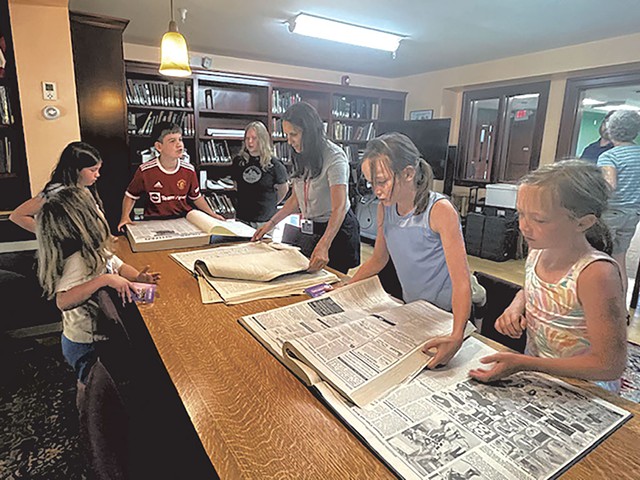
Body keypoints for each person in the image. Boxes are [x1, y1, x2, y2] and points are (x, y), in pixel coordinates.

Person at [469, 160, 627, 392]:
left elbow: (610, 364)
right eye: (520, 214)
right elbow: (533, 288)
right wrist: (516, 305)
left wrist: (525, 363)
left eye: (539, 219)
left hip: (586, 389)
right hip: (539, 374)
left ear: (583, 222)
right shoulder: (538, 249)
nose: (524, 226)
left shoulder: (596, 273)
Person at [346, 132, 472, 368]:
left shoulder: (440, 210)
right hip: (414, 311)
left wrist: (456, 335)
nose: (377, 191)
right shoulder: (387, 208)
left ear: (408, 173)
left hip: (447, 315)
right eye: (371, 183)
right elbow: (379, 259)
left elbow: (462, 281)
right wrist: (345, 287)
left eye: (382, 182)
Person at [37, 186, 160, 384]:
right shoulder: (77, 261)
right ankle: (87, 409)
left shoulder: (95, 249)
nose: (100, 210)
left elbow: (118, 266)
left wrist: (138, 277)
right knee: (91, 385)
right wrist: (105, 280)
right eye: (95, 208)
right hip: (86, 343)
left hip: (98, 337)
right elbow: (63, 301)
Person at [252, 102, 360, 274]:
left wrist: (325, 244)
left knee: (330, 281)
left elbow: (339, 207)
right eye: (287, 134)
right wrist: (270, 223)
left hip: (336, 230)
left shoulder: (335, 157)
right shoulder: (300, 154)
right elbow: (296, 200)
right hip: (312, 227)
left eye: (293, 134)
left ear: (309, 132)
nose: (289, 141)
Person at [118, 122, 222, 231]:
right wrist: (125, 217)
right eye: (172, 141)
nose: (179, 144)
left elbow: (196, 197)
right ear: (159, 147)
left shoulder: (189, 170)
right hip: (155, 221)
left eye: (180, 139)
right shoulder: (145, 170)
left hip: (183, 220)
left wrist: (212, 214)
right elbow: (130, 195)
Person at [10, 141, 104, 233]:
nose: (97, 175)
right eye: (93, 170)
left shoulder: (84, 188)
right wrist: (49, 235)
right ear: (75, 170)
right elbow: (17, 216)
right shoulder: (56, 193)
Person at [597, 109, 640, 296]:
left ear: (612, 130)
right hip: (633, 215)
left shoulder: (609, 156)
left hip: (611, 214)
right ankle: (621, 310)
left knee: (597, 259)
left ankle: (599, 306)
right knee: (619, 259)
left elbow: (609, 186)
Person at [231, 121, 289, 228]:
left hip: (265, 220)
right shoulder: (239, 162)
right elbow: (236, 186)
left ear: (262, 139)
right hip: (243, 219)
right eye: (247, 138)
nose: (250, 142)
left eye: (254, 138)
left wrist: (270, 204)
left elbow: (283, 189)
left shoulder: (274, 164)